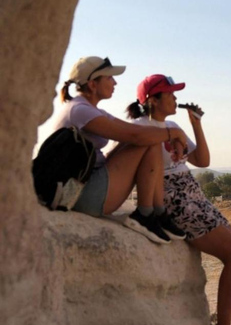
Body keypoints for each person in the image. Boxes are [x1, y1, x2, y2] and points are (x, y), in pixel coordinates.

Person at [126, 74, 231, 325]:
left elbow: (201, 161)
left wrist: (195, 124)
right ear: (152, 100)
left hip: (194, 193)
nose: (175, 99)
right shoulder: (139, 129)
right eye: (170, 94)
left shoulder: (173, 126)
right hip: (174, 198)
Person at [51, 56, 188, 244]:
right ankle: (146, 213)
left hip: (85, 188)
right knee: (149, 139)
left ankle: (157, 211)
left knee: (150, 136)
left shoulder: (87, 108)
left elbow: (135, 132)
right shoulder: (80, 110)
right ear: (92, 84)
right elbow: (136, 136)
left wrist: (175, 135)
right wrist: (176, 133)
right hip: (83, 195)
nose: (115, 82)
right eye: (109, 78)